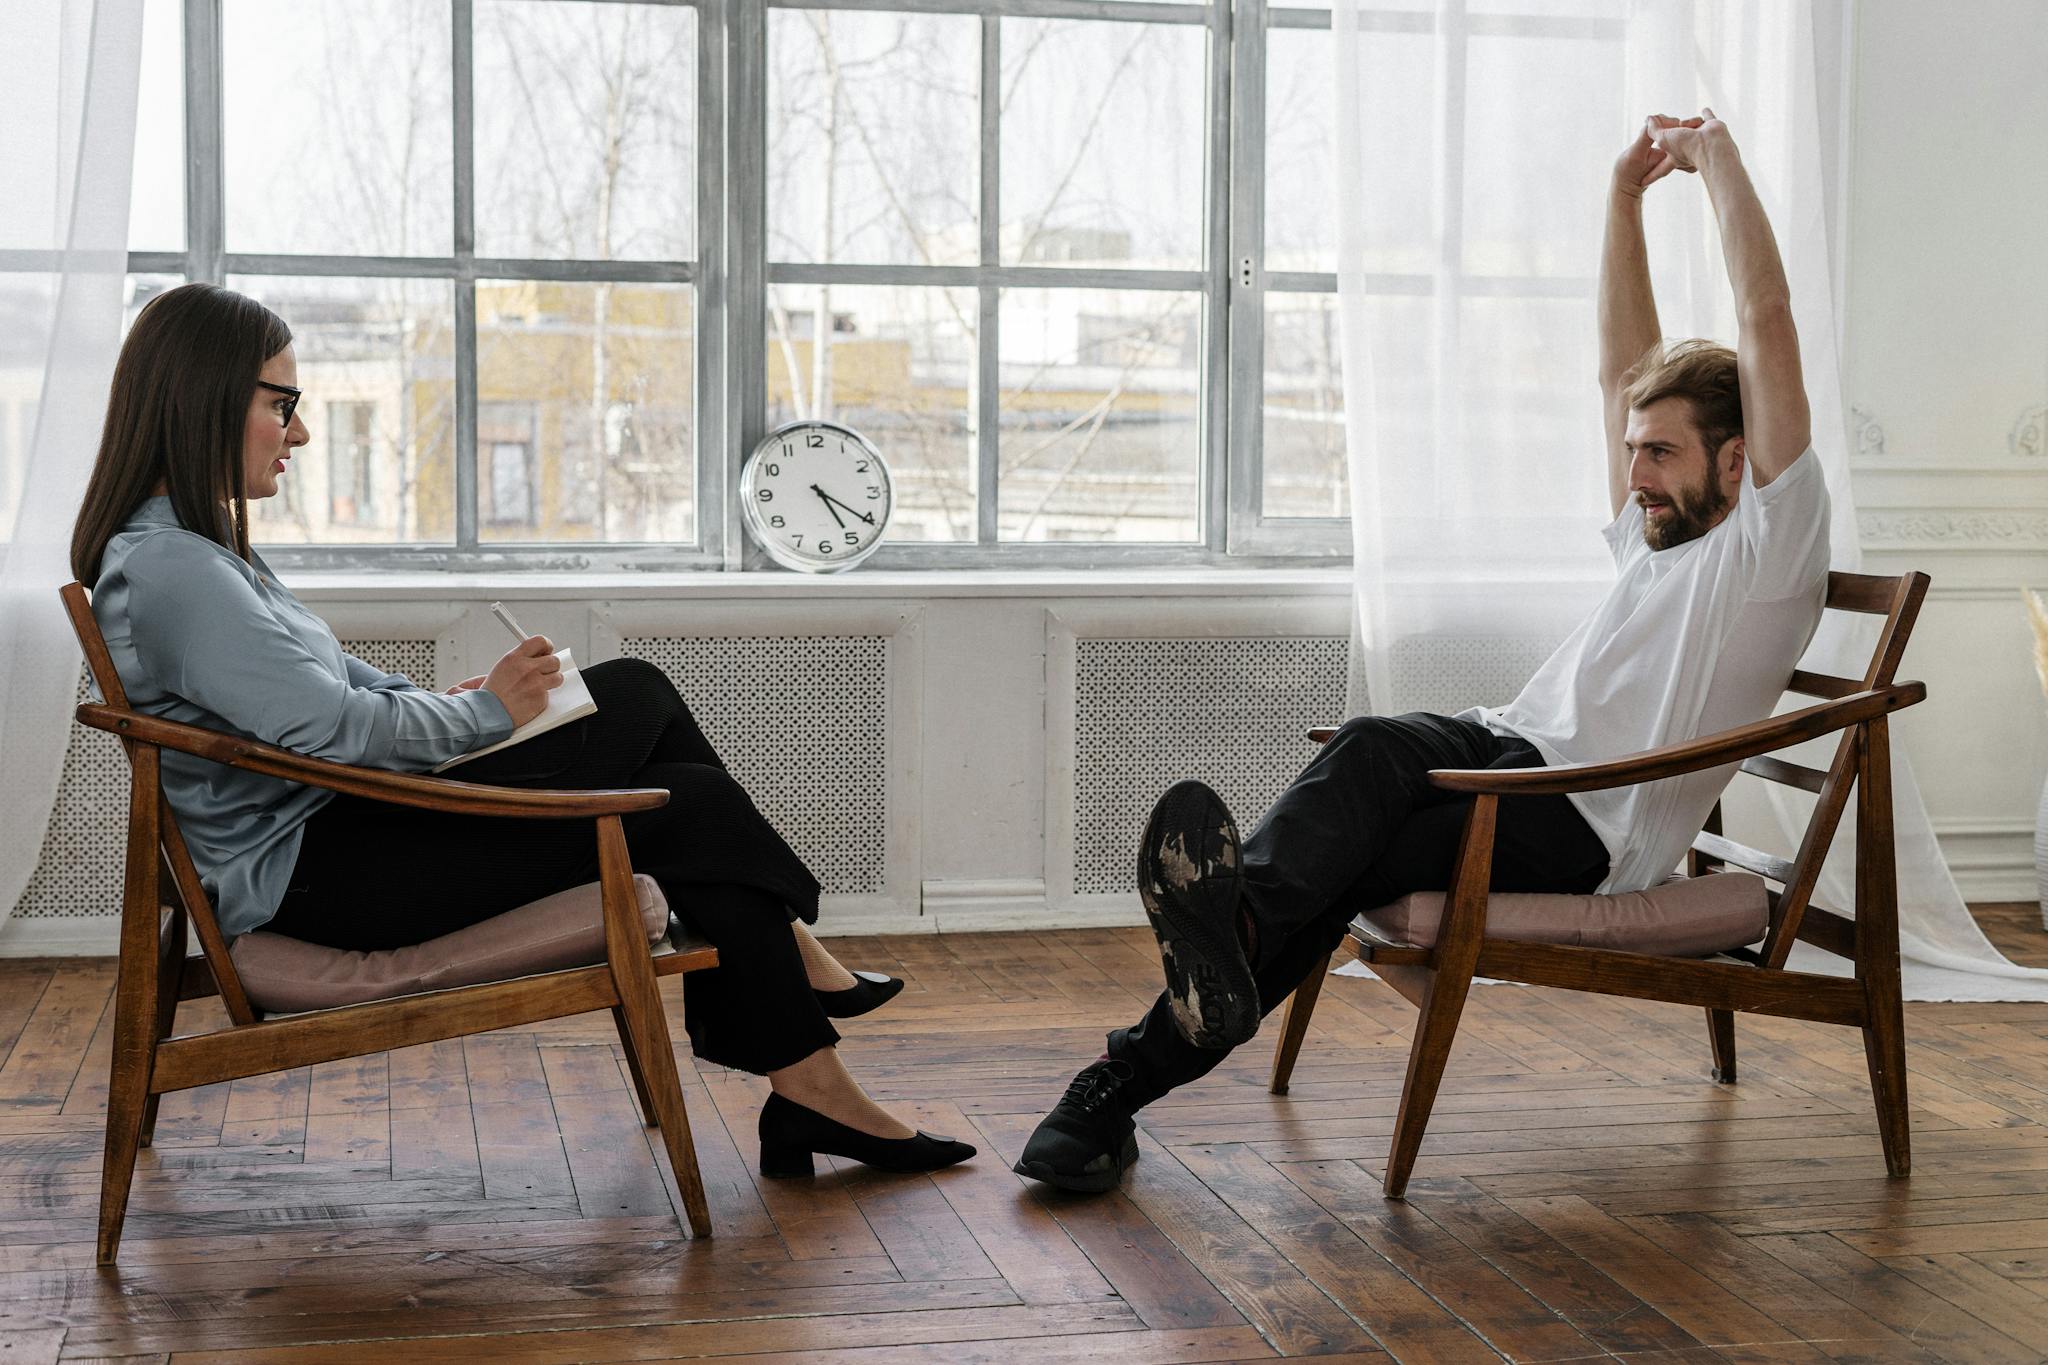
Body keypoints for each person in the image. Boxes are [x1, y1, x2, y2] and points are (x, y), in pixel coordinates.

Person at [1015, 110, 1832, 1192]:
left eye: (1657, 451)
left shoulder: (1765, 551)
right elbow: (1616, 371)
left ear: (1736, 463)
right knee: (1362, 753)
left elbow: (1766, 318)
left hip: (1587, 814)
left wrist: (1718, 158)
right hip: (1513, 750)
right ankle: (1185, 993)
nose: (1631, 469)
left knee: (1331, 852)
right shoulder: (1659, 534)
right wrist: (1621, 198)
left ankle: (1119, 1079)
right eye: (1632, 447)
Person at [71, 282, 970, 1179]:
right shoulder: (176, 571)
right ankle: (803, 1038)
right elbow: (335, 729)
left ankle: (802, 1050)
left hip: (343, 833)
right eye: (284, 404)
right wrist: (484, 714)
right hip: (324, 875)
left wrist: (462, 708)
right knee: (689, 802)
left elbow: (340, 688)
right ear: (203, 400)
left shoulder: (196, 552)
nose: (300, 432)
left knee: (632, 692)